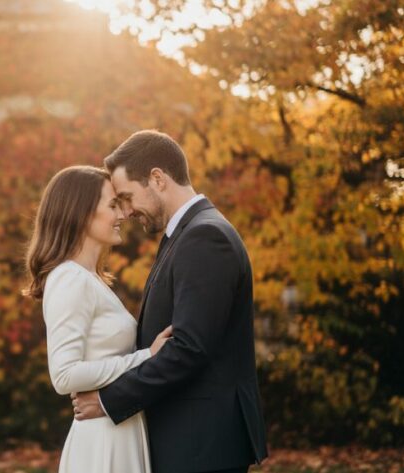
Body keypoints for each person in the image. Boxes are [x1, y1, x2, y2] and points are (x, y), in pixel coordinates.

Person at [71, 130, 269, 473]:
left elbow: (189, 348)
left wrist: (108, 400)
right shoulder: (185, 235)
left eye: (128, 197)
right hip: (192, 441)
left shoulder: (205, 237)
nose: (127, 212)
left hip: (201, 445)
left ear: (158, 179)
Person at [24, 165, 173, 473]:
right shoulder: (69, 278)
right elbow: (64, 375)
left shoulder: (90, 280)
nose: (123, 214)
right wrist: (146, 357)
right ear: (81, 213)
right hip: (103, 438)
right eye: (113, 205)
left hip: (119, 427)